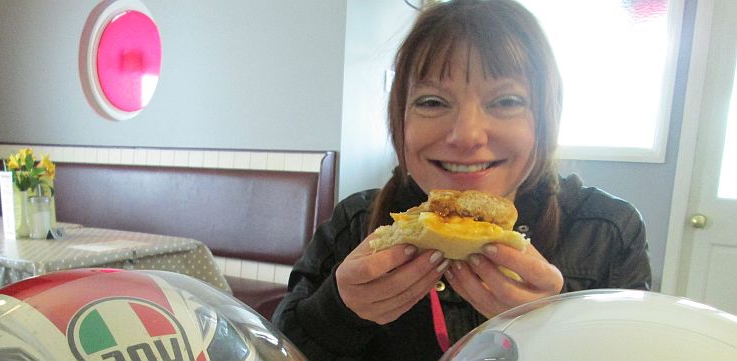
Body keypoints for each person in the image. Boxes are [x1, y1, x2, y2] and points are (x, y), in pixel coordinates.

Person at [272, 0, 652, 360]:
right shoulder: (355, 222)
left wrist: (557, 330)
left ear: (545, 119)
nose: (467, 135)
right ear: (399, 120)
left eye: (506, 101)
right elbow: (277, 347)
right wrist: (337, 312)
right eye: (433, 102)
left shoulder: (607, 232)